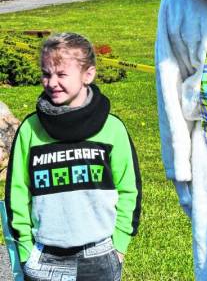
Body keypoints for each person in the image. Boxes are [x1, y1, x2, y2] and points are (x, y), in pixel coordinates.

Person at [5, 32, 142, 281]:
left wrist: (119, 246)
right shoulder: (30, 130)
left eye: (62, 74)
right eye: (46, 74)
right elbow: (17, 193)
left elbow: (129, 190)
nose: (52, 82)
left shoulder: (112, 129)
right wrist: (26, 250)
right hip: (44, 256)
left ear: (87, 75)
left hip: (100, 254)